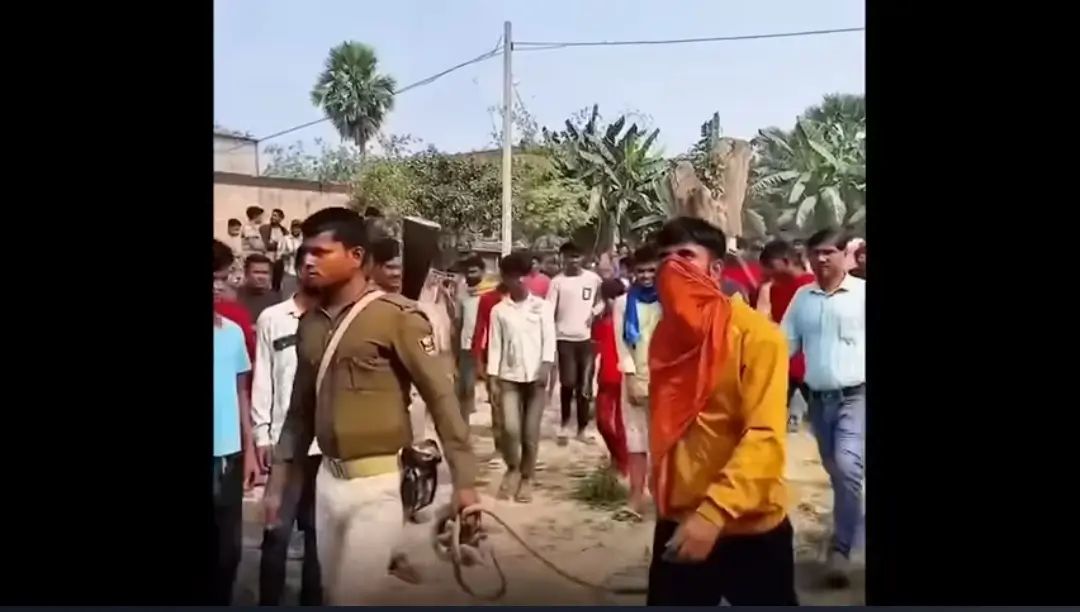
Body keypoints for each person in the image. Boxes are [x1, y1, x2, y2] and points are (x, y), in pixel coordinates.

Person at [265, 208, 480, 605]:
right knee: (332, 594)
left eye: (321, 252)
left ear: (356, 256)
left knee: (351, 598)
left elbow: (443, 400)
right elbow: (298, 414)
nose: (308, 261)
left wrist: (465, 485)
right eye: (305, 252)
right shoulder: (311, 323)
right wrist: (276, 488)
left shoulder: (396, 318)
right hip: (327, 485)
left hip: (379, 486)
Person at [647, 217, 796, 606]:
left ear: (715, 270)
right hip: (680, 520)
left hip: (750, 526)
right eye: (664, 259)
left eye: (685, 256)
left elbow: (764, 438)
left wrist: (713, 513)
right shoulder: (667, 339)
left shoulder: (759, 337)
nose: (671, 268)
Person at [780, 228, 865, 588]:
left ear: (845, 254)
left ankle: (842, 550)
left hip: (856, 397)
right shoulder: (802, 299)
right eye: (816, 253)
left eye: (829, 252)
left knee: (847, 469)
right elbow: (783, 347)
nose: (822, 259)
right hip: (818, 401)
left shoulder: (862, 295)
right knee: (837, 472)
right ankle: (851, 526)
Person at [252, 247, 323, 606]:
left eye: (319, 264)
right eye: (306, 265)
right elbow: (263, 378)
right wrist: (261, 434)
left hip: (325, 448)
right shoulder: (273, 318)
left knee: (318, 537)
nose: (314, 271)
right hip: (284, 447)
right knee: (276, 533)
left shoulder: (337, 318)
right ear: (297, 271)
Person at [487, 252, 556, 503]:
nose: (517, 281)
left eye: (521, 276)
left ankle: (527, 477)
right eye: (511, 276)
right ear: (505, 278)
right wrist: (492, 378)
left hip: (536, 377)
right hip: (509, 376)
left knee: (529, 432)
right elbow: (495, 346)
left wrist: (546, 367)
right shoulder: (499, 311)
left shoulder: (542, 307)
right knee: (510, 428)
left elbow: (549, 339)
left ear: (528, 276)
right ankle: (512, 468)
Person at [212, 239, 258, 605]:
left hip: (228, 455)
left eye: (222, 278)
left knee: (228, 553)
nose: (218, 286)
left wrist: (251, 450)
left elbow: (242, 392)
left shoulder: (232, 332)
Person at [612, 245, 662, 520]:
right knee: (636, 438)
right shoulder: (623, 303)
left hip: (665, 380)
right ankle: (635, 497)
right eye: (640, 271)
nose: (645, 276)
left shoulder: (668, 301)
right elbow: (622, 343)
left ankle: (662, 497)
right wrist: (630, 377)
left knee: (663, 441)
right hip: (635, 375)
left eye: (651, 270)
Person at [547, 241, 602, 446]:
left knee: (585, 386)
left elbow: (601, 301)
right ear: (562, 259)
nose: (573, 261)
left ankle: (582, 429)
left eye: (576, 256)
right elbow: (548, 311)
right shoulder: (557, 282)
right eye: (569, 257)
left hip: (587, 340)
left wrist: (594, 313)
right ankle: (564, 424)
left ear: (583, 258)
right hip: (564, 339)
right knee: (568, 382)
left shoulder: (594, 279)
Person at [760, 240, 816, 432]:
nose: (768, 271)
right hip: (783, 359)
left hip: (810, 362)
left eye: (770, 265)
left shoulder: (812, 286)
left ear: (785, 261)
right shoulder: (772, 288)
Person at [592, 278, 628, 478]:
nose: (613, 301)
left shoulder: (629, 320)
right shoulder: (601, 320)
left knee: (621, 424)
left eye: (617, 297)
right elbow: (595, 349)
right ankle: (617, 457)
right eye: (609, 298)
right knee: (603, 422)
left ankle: (623, 464)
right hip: (605, 377)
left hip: (623, 376)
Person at [472, 278, 509, 459]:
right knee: (496, 403)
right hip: (491, 356)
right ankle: (500, 446)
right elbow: (479, 329)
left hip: (516, 359)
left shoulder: (526, 300)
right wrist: (478, 359)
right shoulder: (488, 299)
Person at [456, 254, 494, 423]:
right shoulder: (462, 292)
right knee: (465, 387)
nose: (470, 275)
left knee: (494, 389)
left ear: (482, 271)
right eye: (467, 272)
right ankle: (463, 426)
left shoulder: (491, 292)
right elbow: (458, 321)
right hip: (467, 345)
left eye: (474, 271)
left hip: (488, 346)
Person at [237, 254, 282, 323]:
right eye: (256, 272)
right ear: (246, 273)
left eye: (265, 273)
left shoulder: (278, 300)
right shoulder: (234, 296)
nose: (261, 277)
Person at [279, 219, 304, 297]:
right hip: (288, 270)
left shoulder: (304, 239)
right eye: (294, 227)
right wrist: (290, 253)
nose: (296, 229)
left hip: (301, 271)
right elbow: (279, 254)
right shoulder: (285, 239)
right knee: (287, 294)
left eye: (298, 227)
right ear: (291, 228)